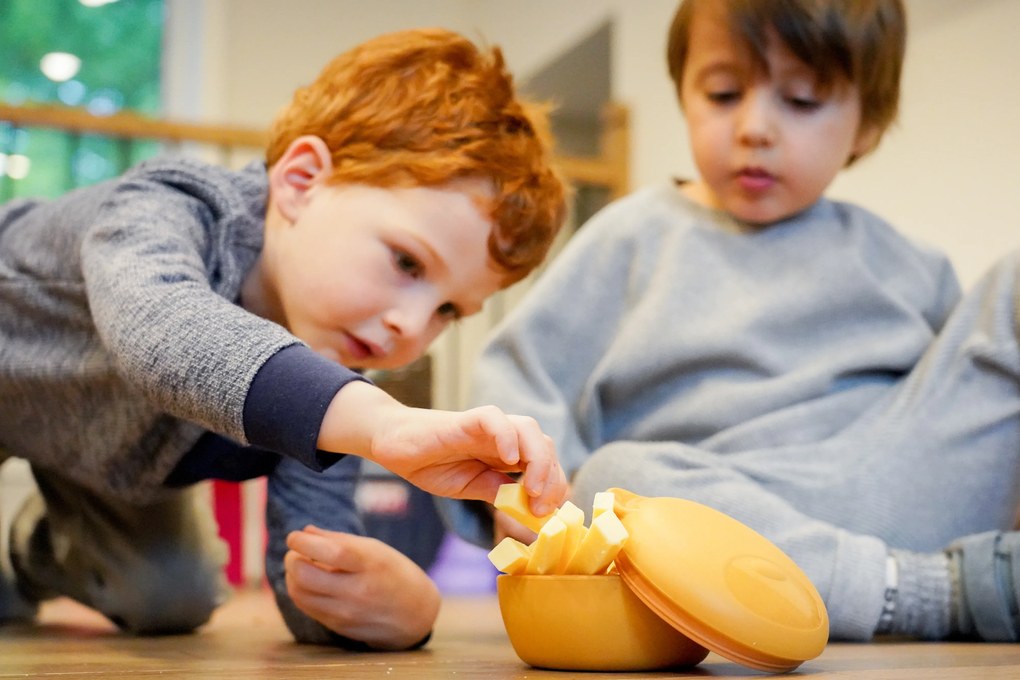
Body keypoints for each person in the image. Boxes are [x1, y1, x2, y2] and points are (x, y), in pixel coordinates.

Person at [440, 0, 1020, 643]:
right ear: (684, 92)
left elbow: (962, 419)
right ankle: (927, 594)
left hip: (890, 489)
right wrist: (531, 495)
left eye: (801, 101)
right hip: (721, 536)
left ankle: (940, 581)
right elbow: (521, 379)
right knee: (616, 481)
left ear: (866, 126)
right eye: (722, 94)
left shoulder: (910, 263)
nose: (754, 128)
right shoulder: (631, 238)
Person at [0, 28, 568, 651]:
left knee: (174, 596)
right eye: (407, 263)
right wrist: (379, 423)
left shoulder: (337, 382)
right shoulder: (168, 207)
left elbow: (306, 569)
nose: (414, 325)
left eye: (449, 310)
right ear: (300, 181)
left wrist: (401, 612)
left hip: (92, 457)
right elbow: (160, 333)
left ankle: (26, 553)